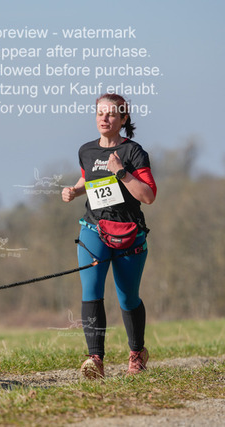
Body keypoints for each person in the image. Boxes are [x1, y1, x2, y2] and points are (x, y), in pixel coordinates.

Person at [61, 93, 157, 379]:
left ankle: (137, 353)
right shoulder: (86, 150)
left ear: (123, 119)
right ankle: (95, 359)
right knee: (91, 291)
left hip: (128, 233)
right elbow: (88, 179)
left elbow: (148, 196)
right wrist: (75, 191)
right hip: (94, 229)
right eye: (100, 113)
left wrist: (122, 173)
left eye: (111, 114)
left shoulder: (133, 152)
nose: (104, 118)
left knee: (128, 297)